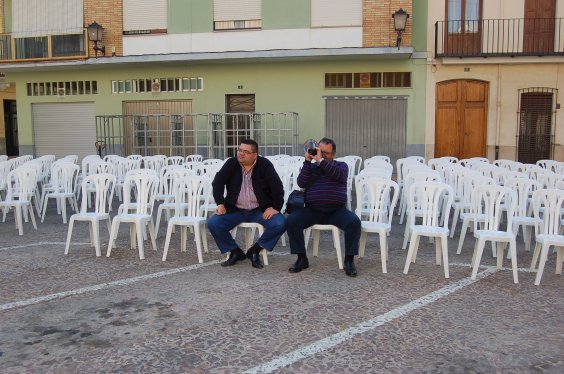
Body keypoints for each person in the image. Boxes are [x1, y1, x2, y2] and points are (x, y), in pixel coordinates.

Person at [286, 137, 361, 277]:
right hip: (312, 210)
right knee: (292, 220)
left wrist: (321, 161)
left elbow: (338, 175)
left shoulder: (341, 166)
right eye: (320, 151)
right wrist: (308, 162)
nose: (321, 155)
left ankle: (349, 261)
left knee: (354, 222)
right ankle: (301, 259)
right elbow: (301, 183)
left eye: (326, 153)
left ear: (333, 154)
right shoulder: (311, 167)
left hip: (336, 211)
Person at [208, 139, 286, 269]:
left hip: (259, 210)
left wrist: (275, 207)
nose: (241, 154)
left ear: (254, 155)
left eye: (245, 152)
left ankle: (255, 250)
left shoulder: (264, 165)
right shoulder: (231, 163)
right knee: (213, 223)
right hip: (236, 210)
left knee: (280, 223)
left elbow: (277, 188)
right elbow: (217, 182)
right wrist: (220, 203)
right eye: (239, 150)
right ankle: (235, 251)